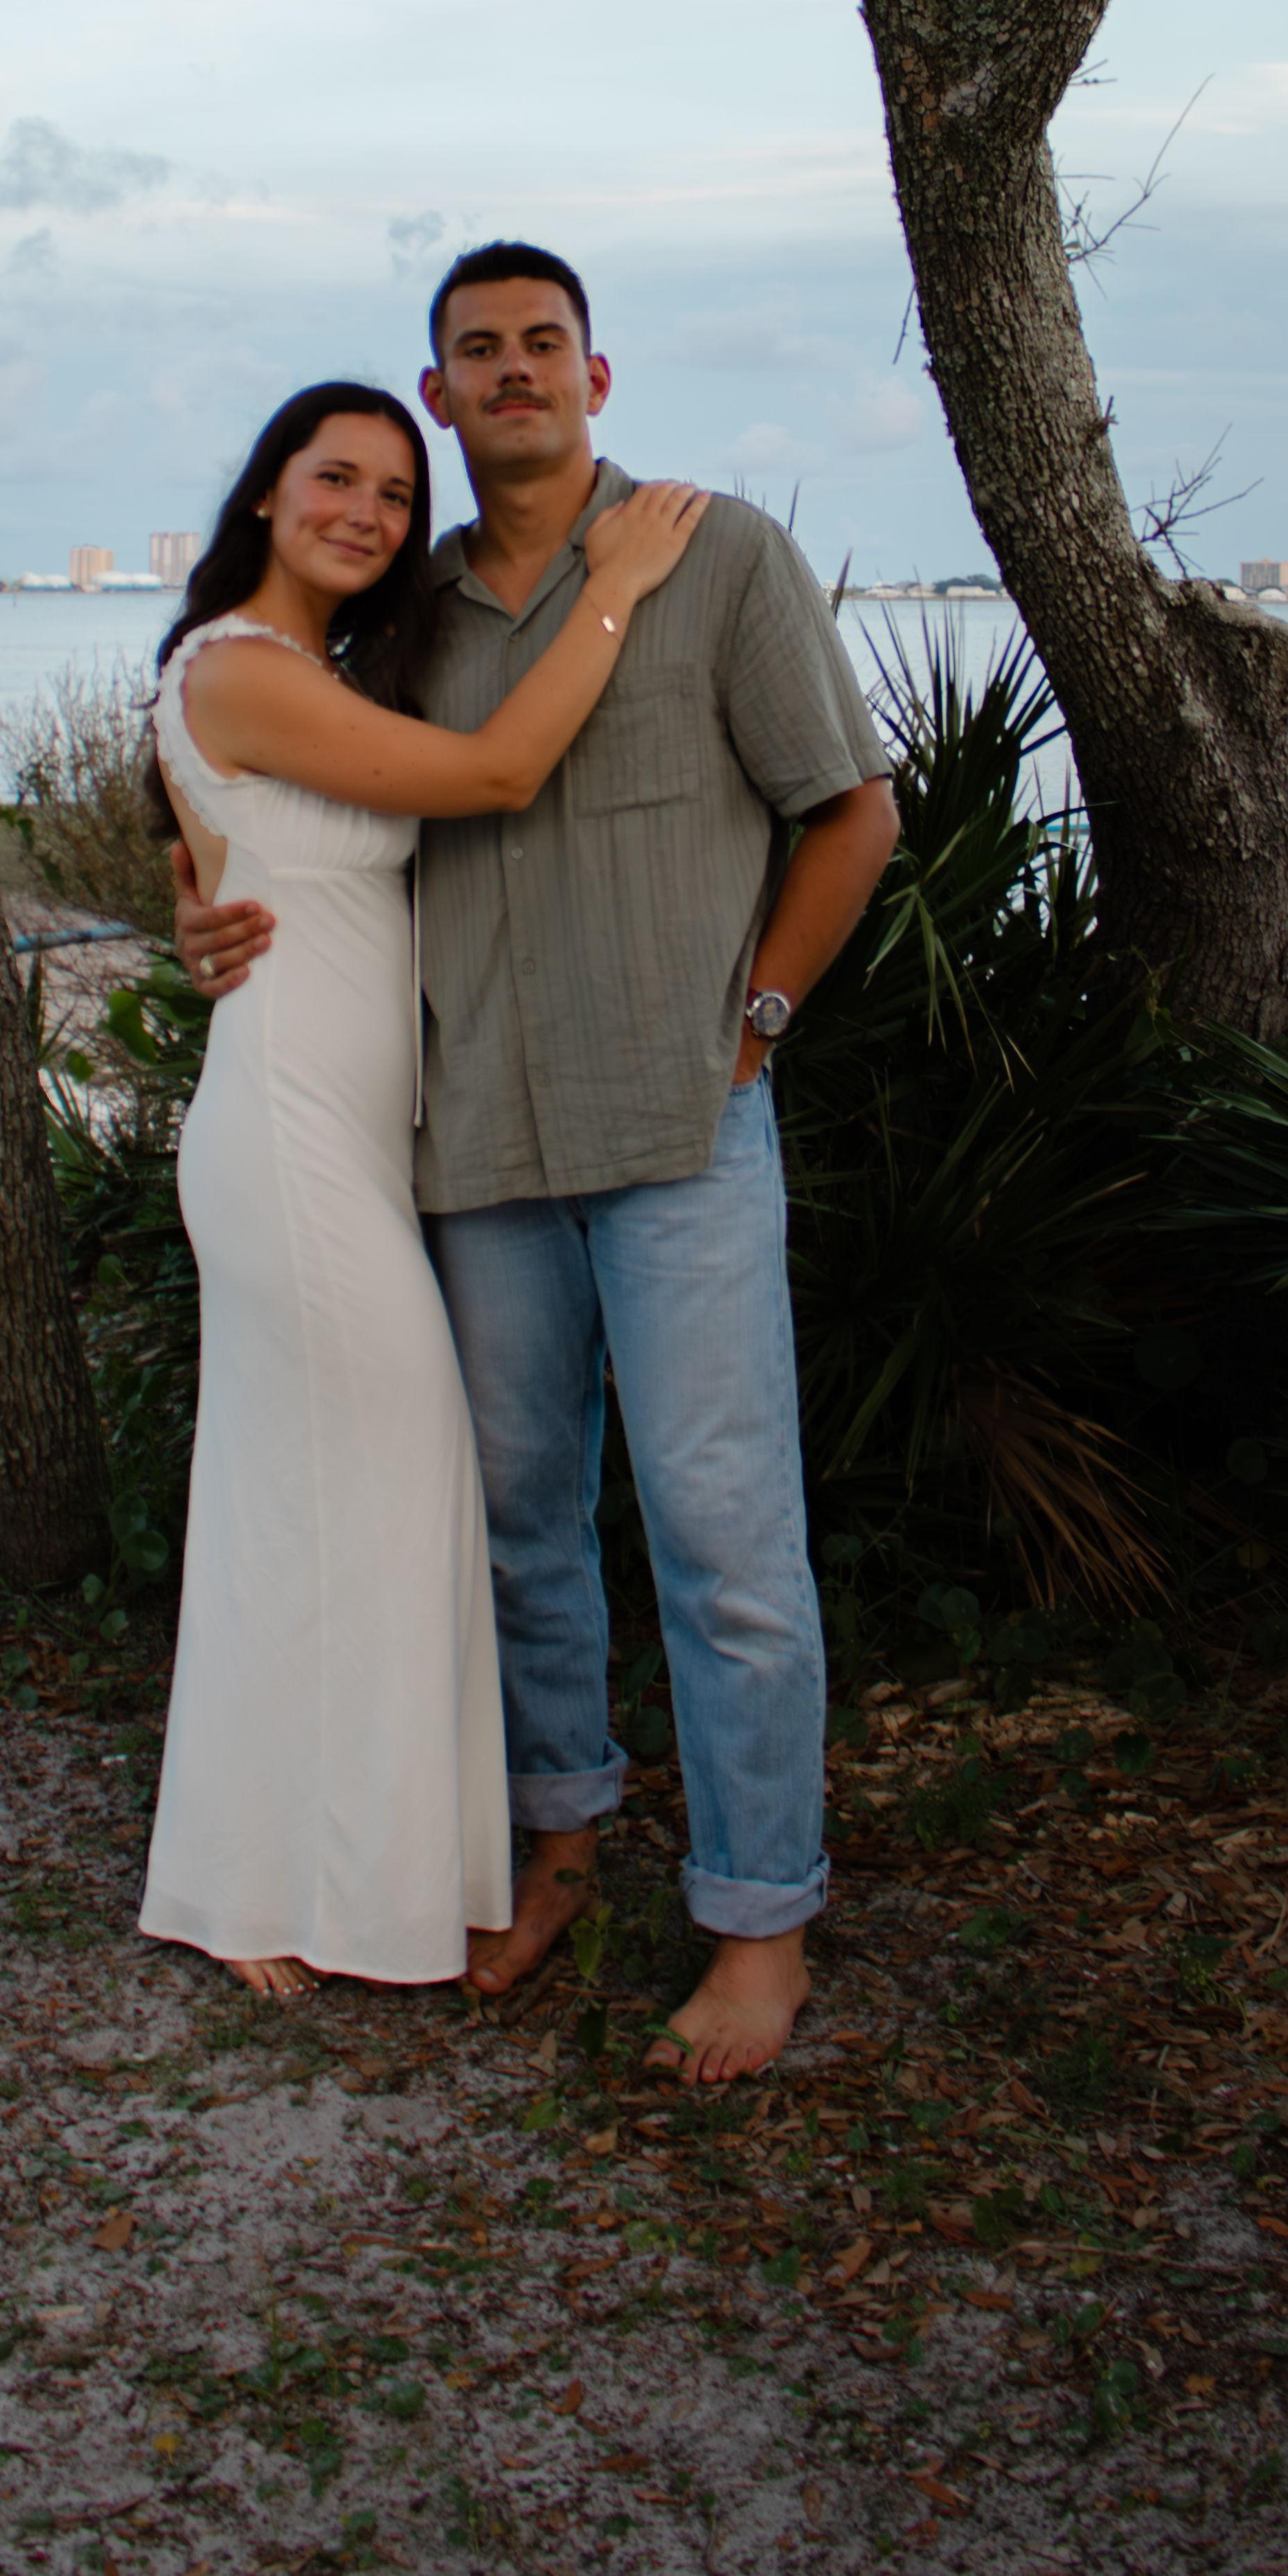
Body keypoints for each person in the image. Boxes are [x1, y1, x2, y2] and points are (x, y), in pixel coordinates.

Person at [175, 251, 900, 2082]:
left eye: (543, 345)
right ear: (441, 391)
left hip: (678, 1132)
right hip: (475, 1144)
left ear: (595, 372)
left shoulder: (714, 555)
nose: (515, 372)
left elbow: (853, 811)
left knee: (725, 1540)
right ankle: (557, 1846)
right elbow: (276, 786)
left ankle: (758, 1924)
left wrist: (764, 1016)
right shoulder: (402, 617)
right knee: (517, 1527)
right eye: (479, 351)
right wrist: (194, 906)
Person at [136, 377, 710, 2001]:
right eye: (337, 479)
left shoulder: (303, 676)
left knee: (331, 1497)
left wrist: (190, 924)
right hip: (287, 1142)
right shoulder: (242, 669)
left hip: (347, 1142)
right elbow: (501, 777)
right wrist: (614, 586)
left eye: (396, 494)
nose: (368, 514)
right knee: (379, 1482)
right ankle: (256, 1885)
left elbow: (223, 879)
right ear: (269, 491)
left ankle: (339, 1868)